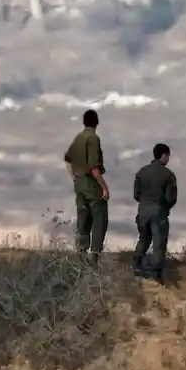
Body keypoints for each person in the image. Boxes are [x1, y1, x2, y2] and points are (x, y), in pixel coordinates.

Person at [63, 109, 109, 262]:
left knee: (83, 218)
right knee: (99, 217)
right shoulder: (93, 138)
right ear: (97, 122)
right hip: (91, 182)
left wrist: (75, 178)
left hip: (80, 184)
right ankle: (94, 255)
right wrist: (104, 187)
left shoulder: (78, 138)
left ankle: (81, 255)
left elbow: (68, 161)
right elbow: (94, 167)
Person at [132, 142, 178, 282]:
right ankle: (155, 274)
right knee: (159, 243)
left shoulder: (141, 172)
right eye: (168, 156)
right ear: (164, 155)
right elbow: (172, 198)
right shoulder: (168, 175)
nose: (168, 159)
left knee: (144, 238)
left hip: (143, 210)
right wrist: (165, 207)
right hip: (158, 212)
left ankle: (136, 266)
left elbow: (136, 195)